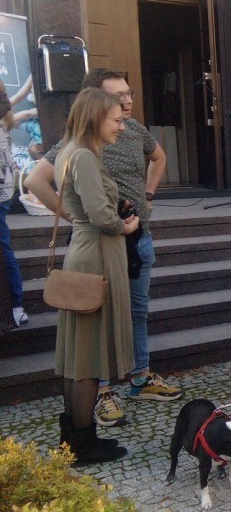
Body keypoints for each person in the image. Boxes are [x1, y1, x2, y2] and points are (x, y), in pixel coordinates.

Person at [26, 69, 180, 429]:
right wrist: (78, 218)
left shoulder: (132, 128)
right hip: (102, 243)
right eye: (117, 98)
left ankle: (139, 377)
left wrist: (147, 196)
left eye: (128, 94)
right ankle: (103, 394)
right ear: (95, 105)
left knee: (135, 310)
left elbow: (159, 159)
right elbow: (36, 179)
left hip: (134, 239)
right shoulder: (77, 147)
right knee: (98, 324)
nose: (126, 103)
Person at [53, 88, 140, 464]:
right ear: (95, 117)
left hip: (86, 252)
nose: (122, 126)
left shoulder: (69, 151)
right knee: (87, 357)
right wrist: (123, 225)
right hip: (96, 257)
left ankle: (75, 436)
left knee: (78, 355)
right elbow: (100, 217)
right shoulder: (85, 156)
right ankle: (83, 444)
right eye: (116, 119)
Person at [0, 80, 28, 326]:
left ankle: (16, 306)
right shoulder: (4, 117)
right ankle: (16, 306)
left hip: (0, 193)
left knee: (3, 247)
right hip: (5, 192)